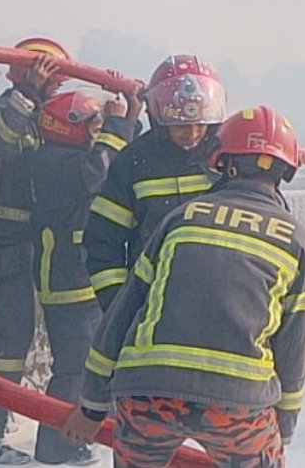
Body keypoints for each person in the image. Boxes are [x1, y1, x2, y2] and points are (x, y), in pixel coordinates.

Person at [63, 106, 305, 468]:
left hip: (148, 395)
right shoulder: (298, 243)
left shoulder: (179, 219)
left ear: (222, 162)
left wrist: (91, 407)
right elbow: (293, 352)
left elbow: (122, 316)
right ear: (286, 170)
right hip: (238, 404)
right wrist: (283, 430)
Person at [0, 39, 67, 464]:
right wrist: (28, 94)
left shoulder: (41, 113)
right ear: (31, 75)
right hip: (10, 241)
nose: (57, 86)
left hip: (26, 241)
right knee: (11, 341)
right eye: (51, 77)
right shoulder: (8, 109)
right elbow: (1, 143)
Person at [31, 88, 140, 465]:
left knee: (96, 366)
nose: (97, 131)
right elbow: (99, 169)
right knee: (73, 371)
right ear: (67, 126)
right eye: (92, 123)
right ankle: (55, 447)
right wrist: (115, 125)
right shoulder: (51, 160)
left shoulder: (69, 156)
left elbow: (116, 158)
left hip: (82, 281)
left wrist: (128, 119)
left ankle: (92, 434)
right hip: (65, 285)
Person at [84, 55, 227, 311]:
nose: (192, 133)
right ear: (158, 117)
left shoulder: (228, 158)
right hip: (152, 305)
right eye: (180, 126)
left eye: (198, 124)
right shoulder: (134, 162)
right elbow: (102, 241)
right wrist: (119, 307)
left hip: (220, 302)